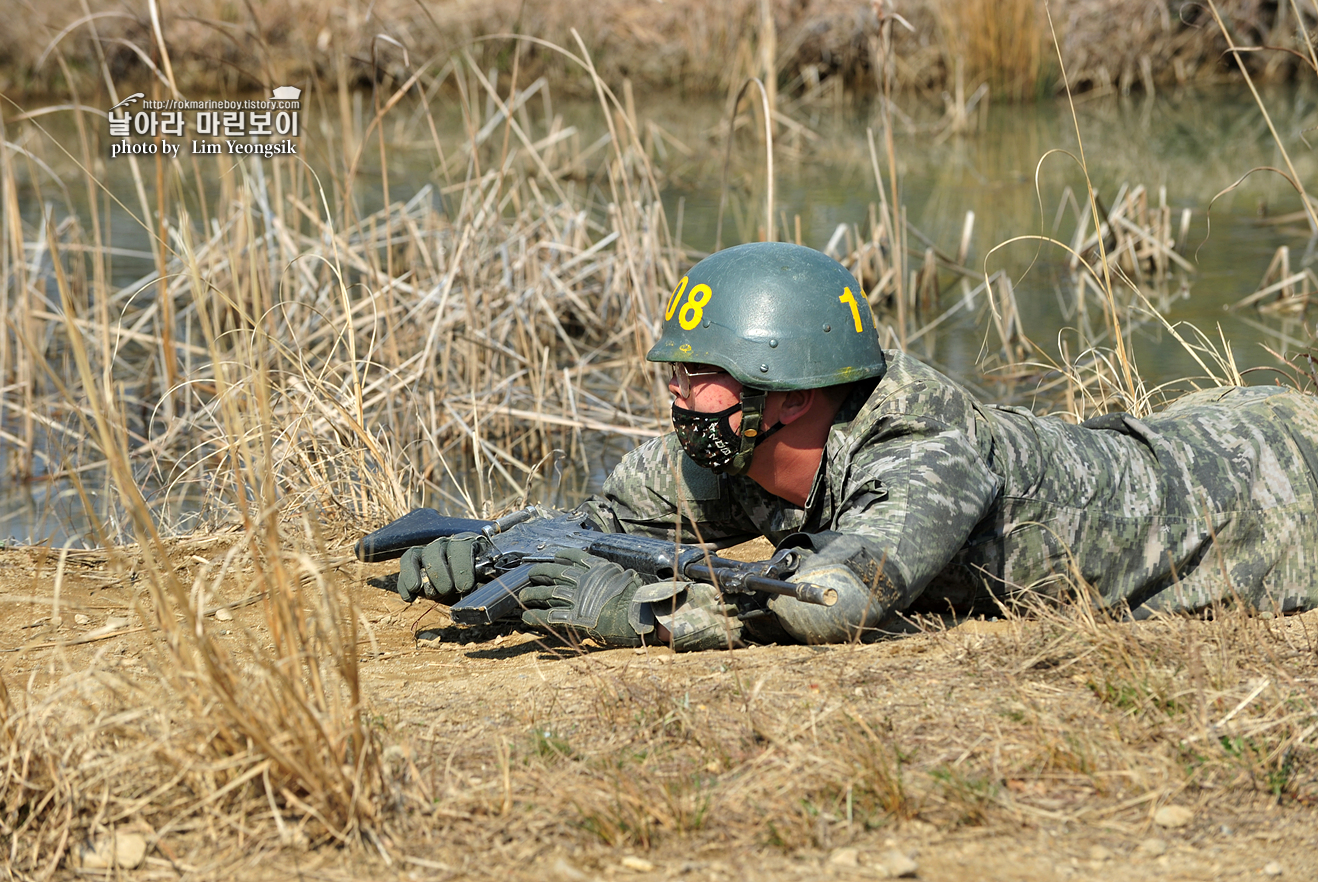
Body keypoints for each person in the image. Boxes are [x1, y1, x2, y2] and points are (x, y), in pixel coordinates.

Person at [398, 242, 1318, 650]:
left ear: (791, 393)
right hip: (1192, 436)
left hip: (1267, 494)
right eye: (674, 372)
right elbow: (599, 520)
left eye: (699, 376)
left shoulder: (926, 454)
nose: (676, 394)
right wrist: (494, 548)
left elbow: (830, 603)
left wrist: (643, 613)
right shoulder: (735, 447)